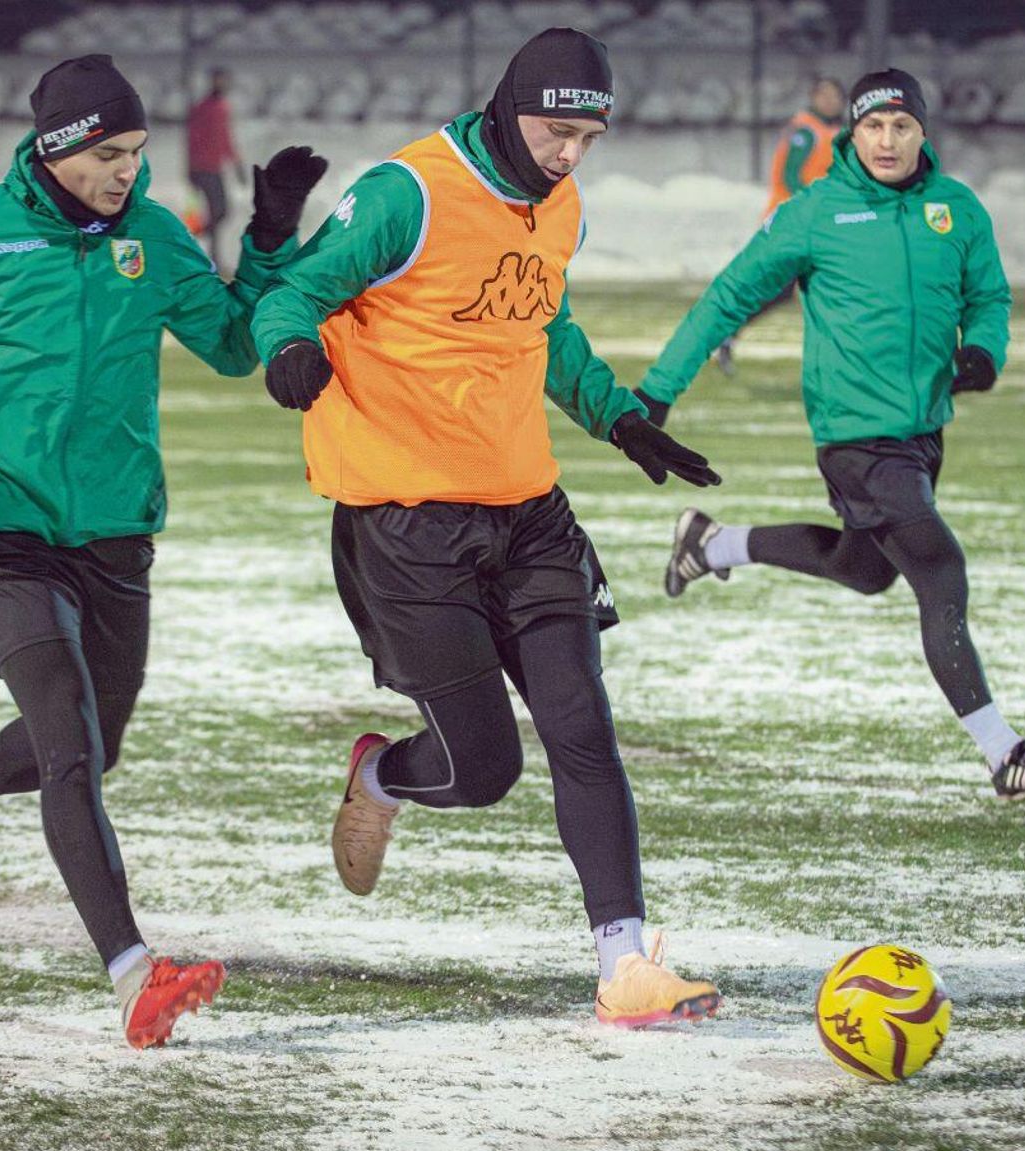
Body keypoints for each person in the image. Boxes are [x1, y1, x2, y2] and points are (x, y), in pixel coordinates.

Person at [0, 55, 327, 1047]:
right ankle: (134, 972)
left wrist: (269, 236)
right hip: (3, 529)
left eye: (137, 153)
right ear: (57, 147)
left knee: (97, 743)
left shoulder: (152, 234)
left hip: (115, 534)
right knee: (69, 741)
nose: (126, 172)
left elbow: (234, 345)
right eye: (107, 153)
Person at [251, 28, 725, 1028]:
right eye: (559, 132)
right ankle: (381, 769)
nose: (571, 155)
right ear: (509, 107)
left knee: (583, 727)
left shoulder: (561, 208)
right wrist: (290, 343)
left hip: (530, 517)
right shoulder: (405, 195)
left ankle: (624, 965)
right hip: (409, 525)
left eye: (589, 138)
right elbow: (297, 288)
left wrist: (616, 413)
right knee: (485, 770)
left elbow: (542, 324)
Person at [635, 69, 1025, 801]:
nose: (887, 139)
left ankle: (711, 543)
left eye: (902, 126)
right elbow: (729, 294)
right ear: (854, 132)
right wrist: (656, 390)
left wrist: (982, 351)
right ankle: (1005, 754)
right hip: (855, 439)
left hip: (922, 435)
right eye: (873, 126)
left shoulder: (956, 208)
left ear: (922, 133)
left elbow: (989, 296)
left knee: (867, 569)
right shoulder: (817, 212)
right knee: (939, 571)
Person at [712, 76, 844, 378]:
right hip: (791, 223)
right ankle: (728, 329)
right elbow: (790, 177)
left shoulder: (835, 132)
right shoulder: (806, 132)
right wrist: (819, 204)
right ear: (813, 97)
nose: (829, 101)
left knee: (820, 288)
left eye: (834, 96)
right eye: (824, 95)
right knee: (782, 288)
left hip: (816, 225)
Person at [186, 67, 244, 272]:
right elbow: (193, 138)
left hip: (214, 167)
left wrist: (237, 164)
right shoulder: (204, 107)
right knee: (218, 211)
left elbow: (225, 138)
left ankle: (203, 245)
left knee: (220, 211)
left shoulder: (220, 106)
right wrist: (190, 168)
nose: (222, 84)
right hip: (204, 168)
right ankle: (211, 256)